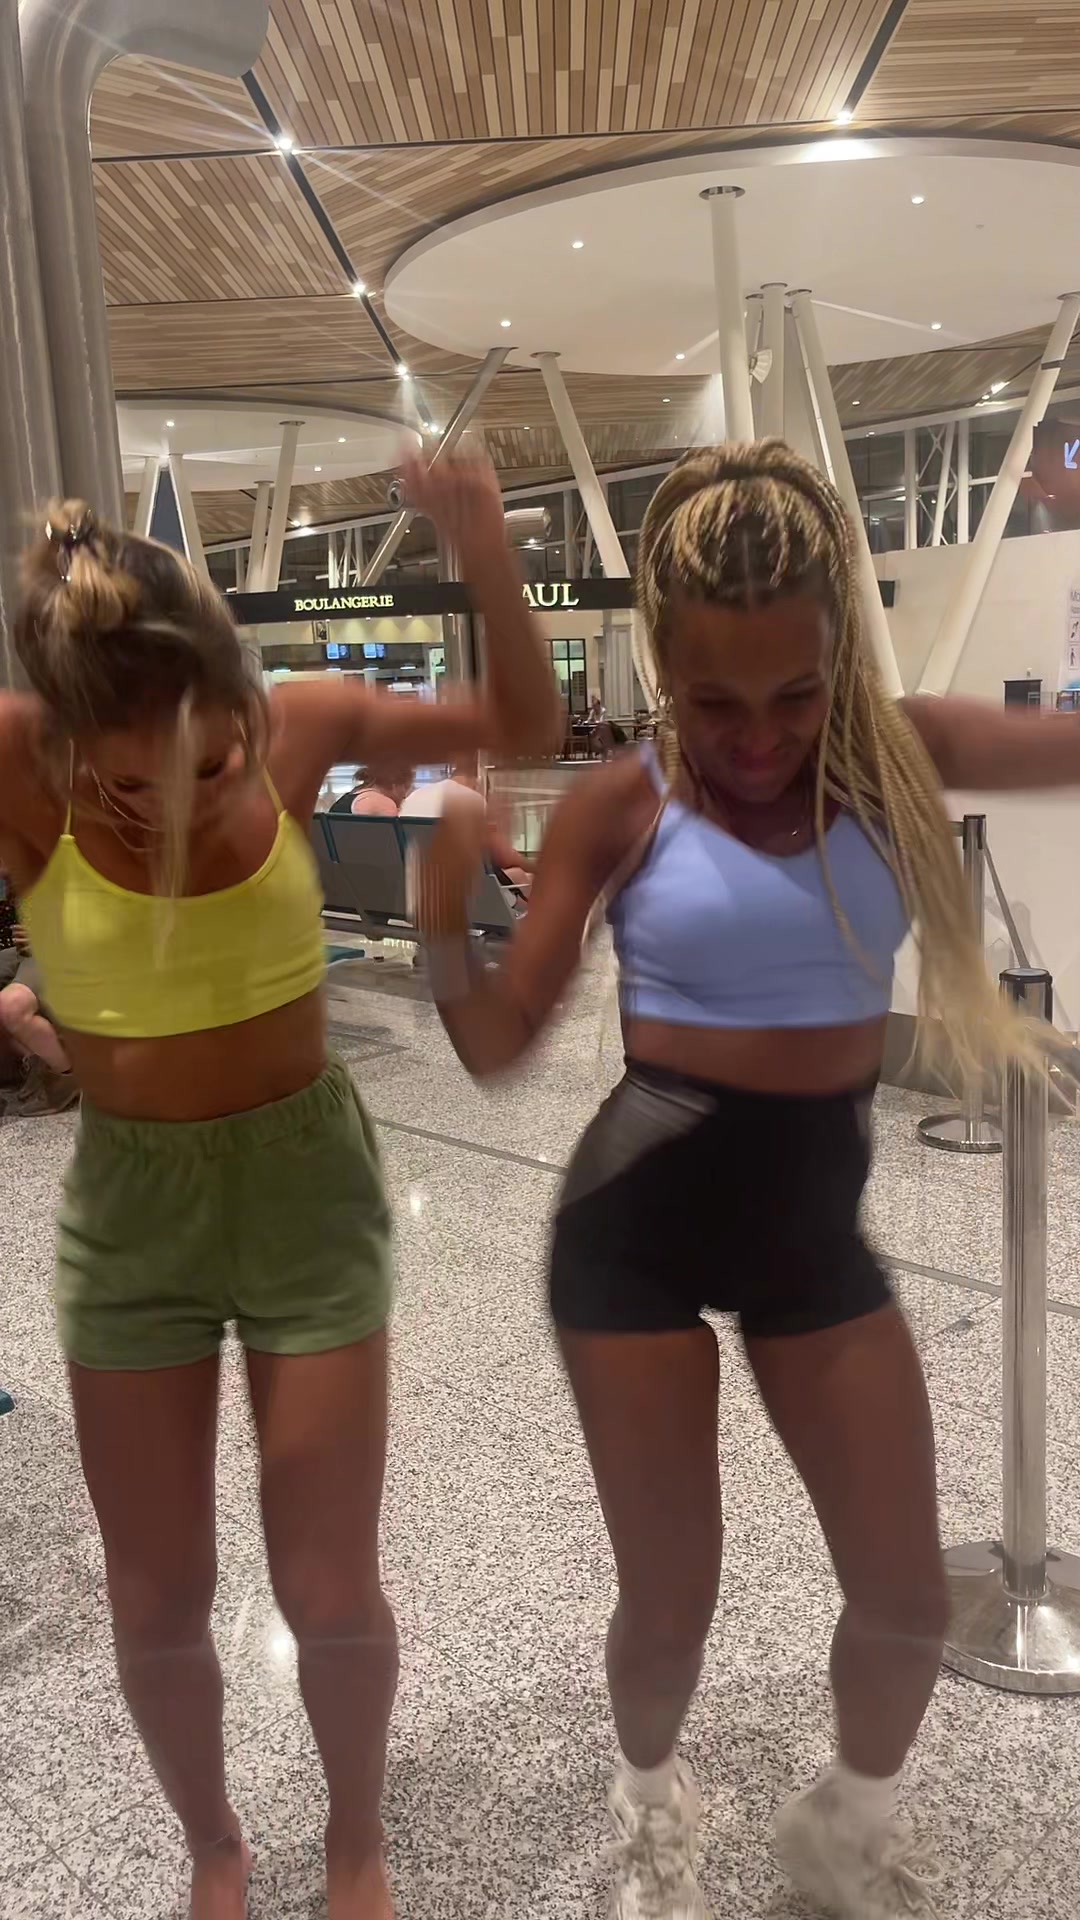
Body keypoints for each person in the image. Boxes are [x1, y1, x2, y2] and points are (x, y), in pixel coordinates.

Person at [415, 440, 1080, 1920]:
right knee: (671, 1602)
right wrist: (441, 914)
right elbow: (498, 1046)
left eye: (797, 693)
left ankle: (843, 1833)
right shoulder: (623, 803)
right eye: (717, 702)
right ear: (663, 668)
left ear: (840, 657)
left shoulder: (901, 758)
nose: (762, 737)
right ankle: (652, 1806)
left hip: (809, 1239)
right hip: (631, 1236)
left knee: (904, 1598)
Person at [0, 456, 557, 1920]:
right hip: (131, 1215)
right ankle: (214, 1846)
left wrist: (482, 542)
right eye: (134, 782)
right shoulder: (22, 763)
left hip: (306, 1188)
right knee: (153, 1597)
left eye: (212, 763)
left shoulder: (300, 723)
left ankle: (357, 1837)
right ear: (68, 742)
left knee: (327, 1585)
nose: (182, 803)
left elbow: (526, 723)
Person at [400, 754, 533, 890]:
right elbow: (503, 856)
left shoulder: (414, 796)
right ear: (479, 781)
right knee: (521, 876)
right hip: (460, 888)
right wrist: (538, 868)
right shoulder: (472, 799)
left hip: (416, 884)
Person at [348, 762, 414, 817]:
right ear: (395, 785)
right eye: (406, 788)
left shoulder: (349, 797)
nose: (405, 796)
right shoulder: (383, 803)